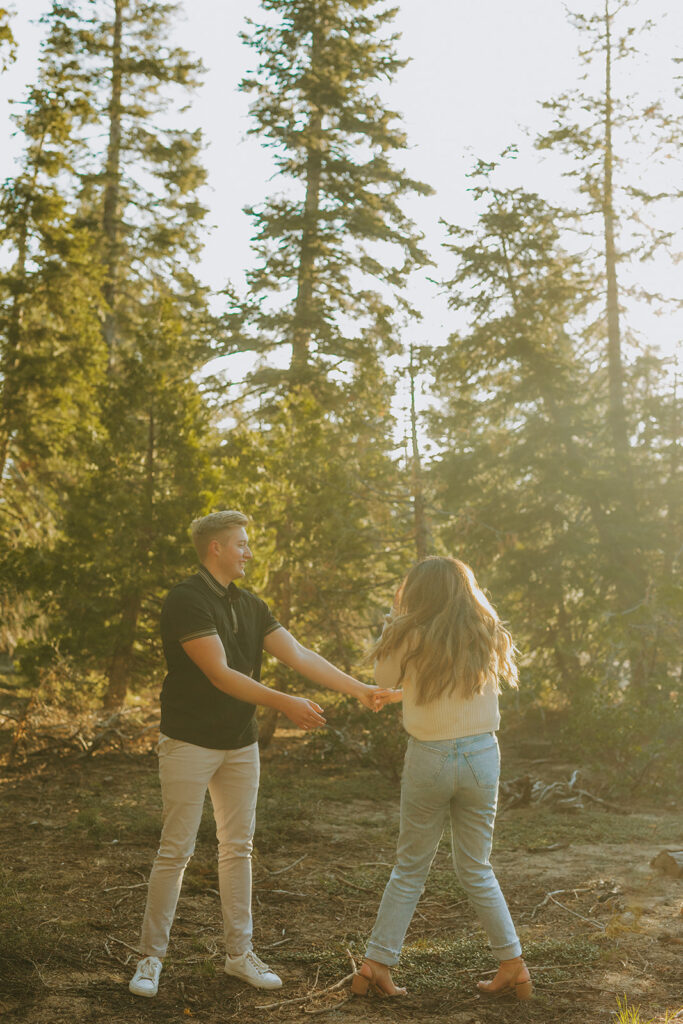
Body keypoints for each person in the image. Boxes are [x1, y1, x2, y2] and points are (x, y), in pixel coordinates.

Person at [129, 510, 380, 999]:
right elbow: (220, 674)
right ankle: (150, 958)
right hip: (188, 741)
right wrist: (285, 703)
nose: (248, 551)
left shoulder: (251, 605)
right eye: (241, 544)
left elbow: (301, 655)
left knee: (237, 848)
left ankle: (239, 955)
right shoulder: (187, 599)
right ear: (216, 548)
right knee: (175, 850)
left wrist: (359, 689)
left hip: (240, 744)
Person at [352, 556, 532, 1000]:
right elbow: (450, 689)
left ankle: (376, 964)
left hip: (429, 757)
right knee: (476, 866)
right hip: (481, 755)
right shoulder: (483, 631)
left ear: (417, 592)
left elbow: (382, 676)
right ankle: (514, 965)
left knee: (410, 867)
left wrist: (394, 622)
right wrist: (403, 693)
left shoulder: (408, 631)